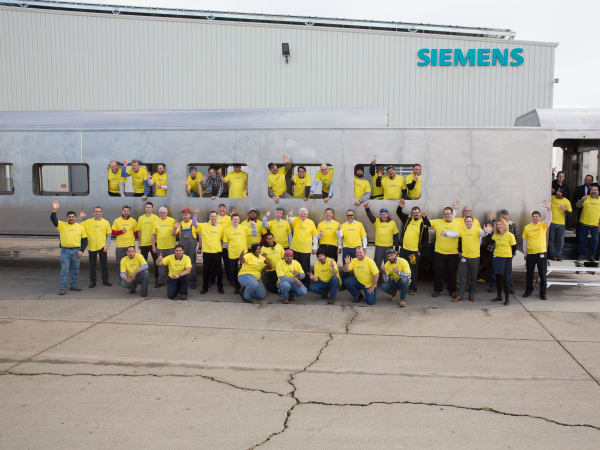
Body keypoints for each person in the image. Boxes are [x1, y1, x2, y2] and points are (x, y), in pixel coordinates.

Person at [51, 200, 87, 295]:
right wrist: (54, 210)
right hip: (65, 251)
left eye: (73, 217)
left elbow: (84, 240)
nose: (71, 218)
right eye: (69, 217)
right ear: (67, 218)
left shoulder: (80, 227)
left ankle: (73, 285)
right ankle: (62, 288)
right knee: (64, 270)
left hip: (76, 251)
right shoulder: (62, 225)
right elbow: (53, 219)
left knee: (75, 270)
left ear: (75, 217)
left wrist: (81, 251)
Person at [452, 217, 492, 302]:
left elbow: (483, 234)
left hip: (475, 258)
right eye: (467, 221)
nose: (469, 223)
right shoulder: (462, 230)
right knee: (462, 277)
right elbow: (454, 234)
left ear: (473, 222)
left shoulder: (477, 230)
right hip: (464, 258)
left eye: (470, 221)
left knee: (473, 278)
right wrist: (445, 234)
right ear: (465, 222)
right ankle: (460, 295)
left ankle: (471, 295)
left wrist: (486, 231)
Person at [396, 199, 430, 295]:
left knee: (412, 270)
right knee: (401, 268)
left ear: (419, 213)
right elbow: (398, 212)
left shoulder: (423, 223)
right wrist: (400, 207)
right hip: (404, 250)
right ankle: (402, 286)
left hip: (414, 252)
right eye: (414, 213)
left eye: (417, 213)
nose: (415, 214)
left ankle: (413, 287)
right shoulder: (407, 219)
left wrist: (421, 251)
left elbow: (426, 239)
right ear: (412, 213)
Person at [522, 201, 552, 300]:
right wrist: (525, 253)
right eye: (534, 216)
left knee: (542, 274)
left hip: (541, 253)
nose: (535, 218)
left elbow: (549, 218)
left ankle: (543, 293)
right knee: (529, 274)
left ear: (539, 217)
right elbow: (525, 241)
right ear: (532, 217)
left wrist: (549, 209)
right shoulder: (527, 227)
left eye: (537, 216)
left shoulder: (543, 225)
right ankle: (528, 290)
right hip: (530, 254)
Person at [429, 207, 461, 298]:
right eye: (445, 214)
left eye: (449, 214)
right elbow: (426, 222)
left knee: (452, 273)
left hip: (453, 253)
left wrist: (461, 250)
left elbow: (461, 236)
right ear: (443, 215)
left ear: (452, 214)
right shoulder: (437, 222)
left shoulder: (458, 224)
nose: (447, 215)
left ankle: (452, 290)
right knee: (438, 272)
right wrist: (423, 216)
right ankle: (437, 289)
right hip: (439, 252)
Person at [222, 213, 255, 294]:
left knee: (244, 271)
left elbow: (254, 233)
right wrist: (231, 249)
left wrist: (253, 226)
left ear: (239, 220)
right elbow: (225, 243)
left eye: (237, 219)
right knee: (233, 271)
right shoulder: (227, 230)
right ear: (231, 220)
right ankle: (237, 287)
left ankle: (244, 286)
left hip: (243, 254)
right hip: (232, 254)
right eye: (234, 219)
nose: (236, 220)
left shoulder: (244, 228)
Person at [80, 206, 112, 288]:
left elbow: (109, 235)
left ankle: (105, 280)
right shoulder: (87, 222)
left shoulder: (106, 222)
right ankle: (93, 281)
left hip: (102, 247)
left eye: (99, 211)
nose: (97, 213)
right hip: (91, 247)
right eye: (96, 211)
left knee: (104, 265)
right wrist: (81, 217)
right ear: (93, 212)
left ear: (102, 212)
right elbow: (76, 225)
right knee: (92, 266)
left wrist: (107, 245)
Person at [363, 201, 399, 270]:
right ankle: (376, 275)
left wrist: (396, 249)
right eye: (381, 214)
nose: (383, 216)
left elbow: (396, 236)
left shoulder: (392, 223)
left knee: (388, 263)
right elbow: (371, 217)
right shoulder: (377, 221)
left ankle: (387, 275)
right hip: (379, 247)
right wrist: (367, 208)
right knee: (377, 263)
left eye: (384, 214)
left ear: (387, 214)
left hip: (389, 247)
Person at [489, 219, 517, 306]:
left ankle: (507, 299)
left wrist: (510, 256)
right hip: (497, 257)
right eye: (497, 224)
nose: (499, 226)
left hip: (506, 258)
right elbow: (490, 246)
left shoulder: (510, 235)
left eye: (500, 224)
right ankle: (499, 296)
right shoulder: (495, 235)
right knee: (498, 277)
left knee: (505, 278)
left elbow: (514, 247)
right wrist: (488, 233)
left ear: (505, 225)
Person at [288, 208, 318, 286]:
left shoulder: (311, 222)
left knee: (305, 268)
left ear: (307, 214)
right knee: (295, 267)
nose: (303, 215)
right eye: (301, 213)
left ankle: (306, 284)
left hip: (306, 249)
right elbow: (289, 220)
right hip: (295, 248)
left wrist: (314, 247)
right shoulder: (296, 220)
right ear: (299, 214)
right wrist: (289, 215)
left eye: (304, 214)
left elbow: (315, 235)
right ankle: (297, 283)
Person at [196, 210, 225, 294]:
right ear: (209, 217)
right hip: (207, 252)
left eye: (214, 216)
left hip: (217, 252)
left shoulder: (221, 227)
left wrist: (218, 246)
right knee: (206, 271)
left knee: (219, 271)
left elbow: (222, 240)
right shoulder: (204, 225)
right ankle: (205, 287)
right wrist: (195, 215)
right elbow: (194, 224)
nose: (213, 218)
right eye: (211, 216)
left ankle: (220, 287)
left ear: (217, 217)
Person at [338, 209, 367, 283]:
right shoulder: (343, 225)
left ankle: (359, 282)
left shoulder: (359, 224)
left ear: (354, 215)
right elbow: (340, 237)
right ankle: (344, 284)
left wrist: (364, 247)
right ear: (346, 216)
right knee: (345, 265)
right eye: (348, 215)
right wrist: (340, 247)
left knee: (357, 266)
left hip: (357, 249)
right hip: (346, 248)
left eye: (351, 215)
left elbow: (364, 236)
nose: (350, 216)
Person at [152, 207, 178, 288]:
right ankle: (161, 281)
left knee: (171, 264)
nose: (162, 214)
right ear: (159, 213)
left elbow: (175, 234)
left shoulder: (172, 220)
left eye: (164, 212)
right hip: (160, 247)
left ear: (167, 213)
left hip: (171, 246)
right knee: (161, 265)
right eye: (161, 212)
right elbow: (153, 235)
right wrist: (153, 246)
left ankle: (172, 279)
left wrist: (175, 228)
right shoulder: (156, 221)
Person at [137, 202, 160, 286]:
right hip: (144, 244)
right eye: (146, 207)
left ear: (152, 209)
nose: (148, 208)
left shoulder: (156, 218)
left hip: (154, 244)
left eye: (150, 207)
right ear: (145, 208)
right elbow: (139, 231)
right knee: (143, 263)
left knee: (156, 262)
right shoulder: (141, 218)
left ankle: (157, 279)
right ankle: (142, 279)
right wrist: (139, 242)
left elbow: (158, 230)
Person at [576, 185, 600, 261]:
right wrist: (582, 200)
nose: (594, 191)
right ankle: (581, 255)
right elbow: (578, 206)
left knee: (595, 241)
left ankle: (592, 256)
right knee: (582, 240)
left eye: (595, 190)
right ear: (590, 191)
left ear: (598, 191)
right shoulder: (585, 197)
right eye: (592, 190)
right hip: (584, 224)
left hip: (595, 225)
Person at [111, 205, 138, 275]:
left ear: (130, 212)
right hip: (120, 246)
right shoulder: (117, 220)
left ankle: (131, 278)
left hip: (130, 246)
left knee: (131, 264)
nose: (126, 212)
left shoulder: (133, 221)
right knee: (120, 264)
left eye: (127, 211)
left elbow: (136, 233)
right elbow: (113, 232)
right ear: (122, 211)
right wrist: (121, 231)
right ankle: (122, 278)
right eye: (124, 211)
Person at [177, 208, 199, 289]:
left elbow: (199, 235)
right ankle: (182, 281)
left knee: (192, 265)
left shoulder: (193, 223)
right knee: (181, 265)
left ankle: (192, 282)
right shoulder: (180, 224)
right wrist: (174, 228)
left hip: (191, 249)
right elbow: (174, 234)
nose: (185, 216)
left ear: (190, 215)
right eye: (183, 215)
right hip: (182, 250)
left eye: (186, 214)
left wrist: (200, 247)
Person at [548, 188, 572, 260]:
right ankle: (552, 255)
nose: (558, 193)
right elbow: (544, 195)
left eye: (560, 192)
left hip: (561, 224)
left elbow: (570, 215)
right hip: (552, 223)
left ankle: (558, 255)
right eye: (557, 191)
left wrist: (565, 210)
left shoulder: (566, 201)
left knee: (560, 241)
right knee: (551, 240)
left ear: (563, 194)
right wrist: (550, 191)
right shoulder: (552, 198)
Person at [573, 175, 595, 241]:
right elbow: (574, 200)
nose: (587, 181)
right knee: (579, 228)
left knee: (592, 231)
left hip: (592, 212)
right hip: (581, 211)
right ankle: (578, 242)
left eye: (589, 180)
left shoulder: (595, 189)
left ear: (592, 181)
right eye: (586, 180)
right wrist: (575, 209)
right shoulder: (578, 188)